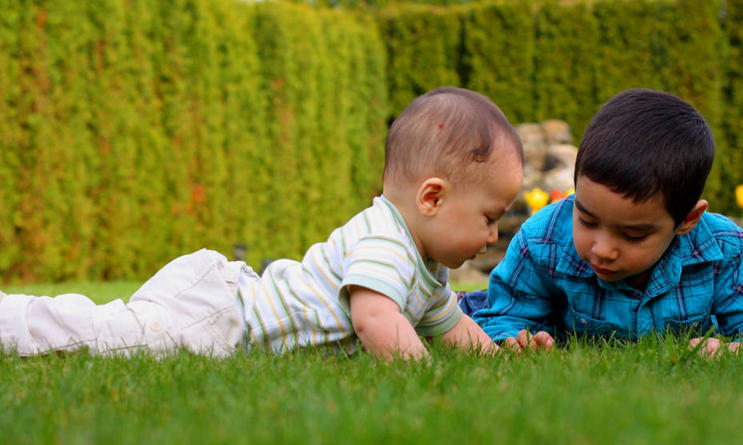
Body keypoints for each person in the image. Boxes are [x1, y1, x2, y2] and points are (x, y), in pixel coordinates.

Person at [0, 86, 524, 360]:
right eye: (488, 218)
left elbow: (452, 326)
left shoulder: (427, 268)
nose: (492, 237)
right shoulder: (384, 239)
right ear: (432, 197)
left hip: (230, 302)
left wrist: (498, 360)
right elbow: (375, 320)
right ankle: (12, 320)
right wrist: (424, 383)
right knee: (113, 338)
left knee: (117, 333)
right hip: (221, 321)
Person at [459, 88, 743, 356]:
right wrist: (514, 341)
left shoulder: (717, 252)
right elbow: (503, 314)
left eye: (633, 235)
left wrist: (739, 348)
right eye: (587, 219)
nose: (603, 249)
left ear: (687, 220)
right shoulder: (543, 241)